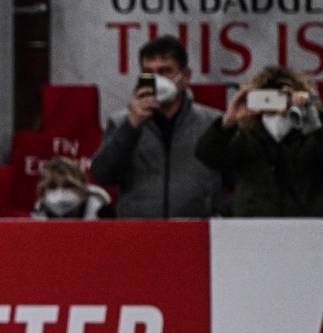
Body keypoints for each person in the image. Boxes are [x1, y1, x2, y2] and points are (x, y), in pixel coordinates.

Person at [90, 35, 223, 217]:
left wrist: (215, 210)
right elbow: (102, 175)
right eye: (148, 73)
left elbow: (241, 181)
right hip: (140, 234)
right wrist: (132, 126)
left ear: (185, 76)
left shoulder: (212, 122)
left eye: (165, 71)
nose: (156, 79)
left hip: (194, 233)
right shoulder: (121, 122)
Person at [196, 66, 323, 217]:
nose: (276, 110)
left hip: (308, 226)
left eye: (282, 99)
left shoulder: (312, 137)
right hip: (253, 226)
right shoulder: (246, 138)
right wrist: (227, 122)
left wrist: (311, 118)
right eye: (268, 100)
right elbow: (208, 156)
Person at [30, 156, 113, 219]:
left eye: (68, 186)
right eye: (53, 187)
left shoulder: (100, 210)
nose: (60, 192)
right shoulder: (40, 210)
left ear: (83, 187)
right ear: (43, 190)